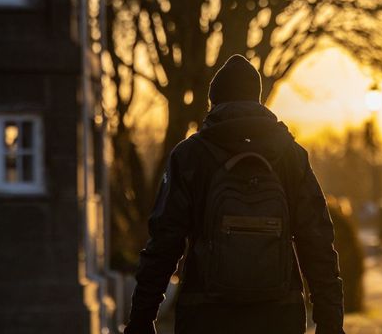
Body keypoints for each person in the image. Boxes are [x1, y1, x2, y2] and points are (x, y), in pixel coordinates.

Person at [124, 54, 345, 334]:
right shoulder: (291, 156)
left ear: (213, 103)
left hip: (205, 315)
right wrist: (331, 323)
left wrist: (141, 319)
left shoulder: (190, 156)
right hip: (279, 316)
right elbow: (318, 243)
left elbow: (164, 244)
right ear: (258, 102)